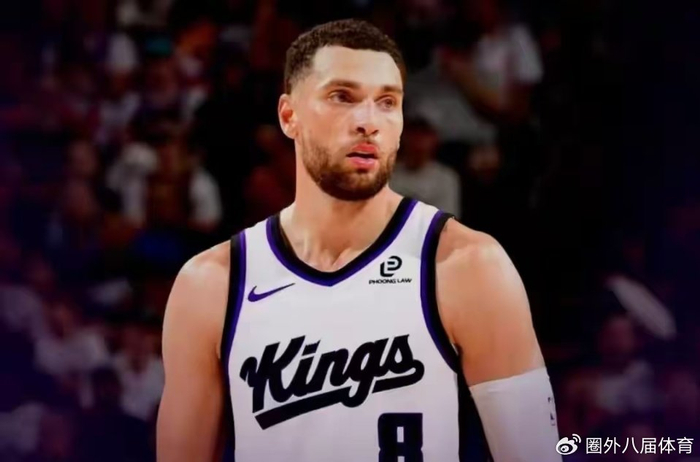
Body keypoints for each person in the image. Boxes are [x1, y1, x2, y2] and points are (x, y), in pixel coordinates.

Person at [157, 19, 561, 462]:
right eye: (342, 97)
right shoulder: (211, 285)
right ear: (289, 116)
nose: (369, 122)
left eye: (387, 102)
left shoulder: (467, 266)